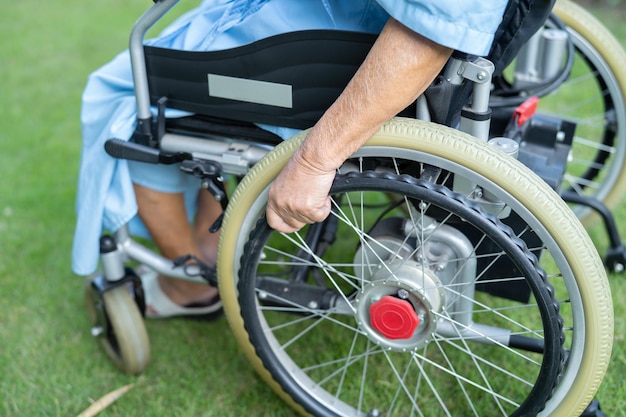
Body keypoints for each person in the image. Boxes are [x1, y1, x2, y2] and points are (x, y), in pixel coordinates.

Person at [73, 0, 510, 319]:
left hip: (323, 50)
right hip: (328, 32)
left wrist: (314, 162)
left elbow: (431, 29)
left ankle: (184, 284)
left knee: (124, 91)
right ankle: (210, 242)